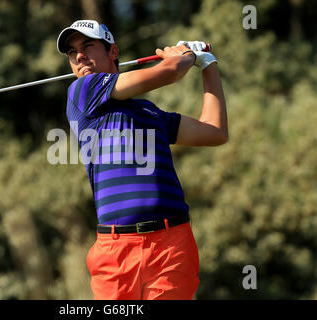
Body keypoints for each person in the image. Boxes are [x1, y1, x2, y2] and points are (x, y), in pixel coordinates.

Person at [56, 20, 228, 300]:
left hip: (172, 245)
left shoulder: (150, 112)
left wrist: (208, 65)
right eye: (72, 52)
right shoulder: (81, 92)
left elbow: (215, 131)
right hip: (115, 251)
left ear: (113, 52)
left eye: (87, 46)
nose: (79, 56)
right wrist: (186, 56)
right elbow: (170, 71)